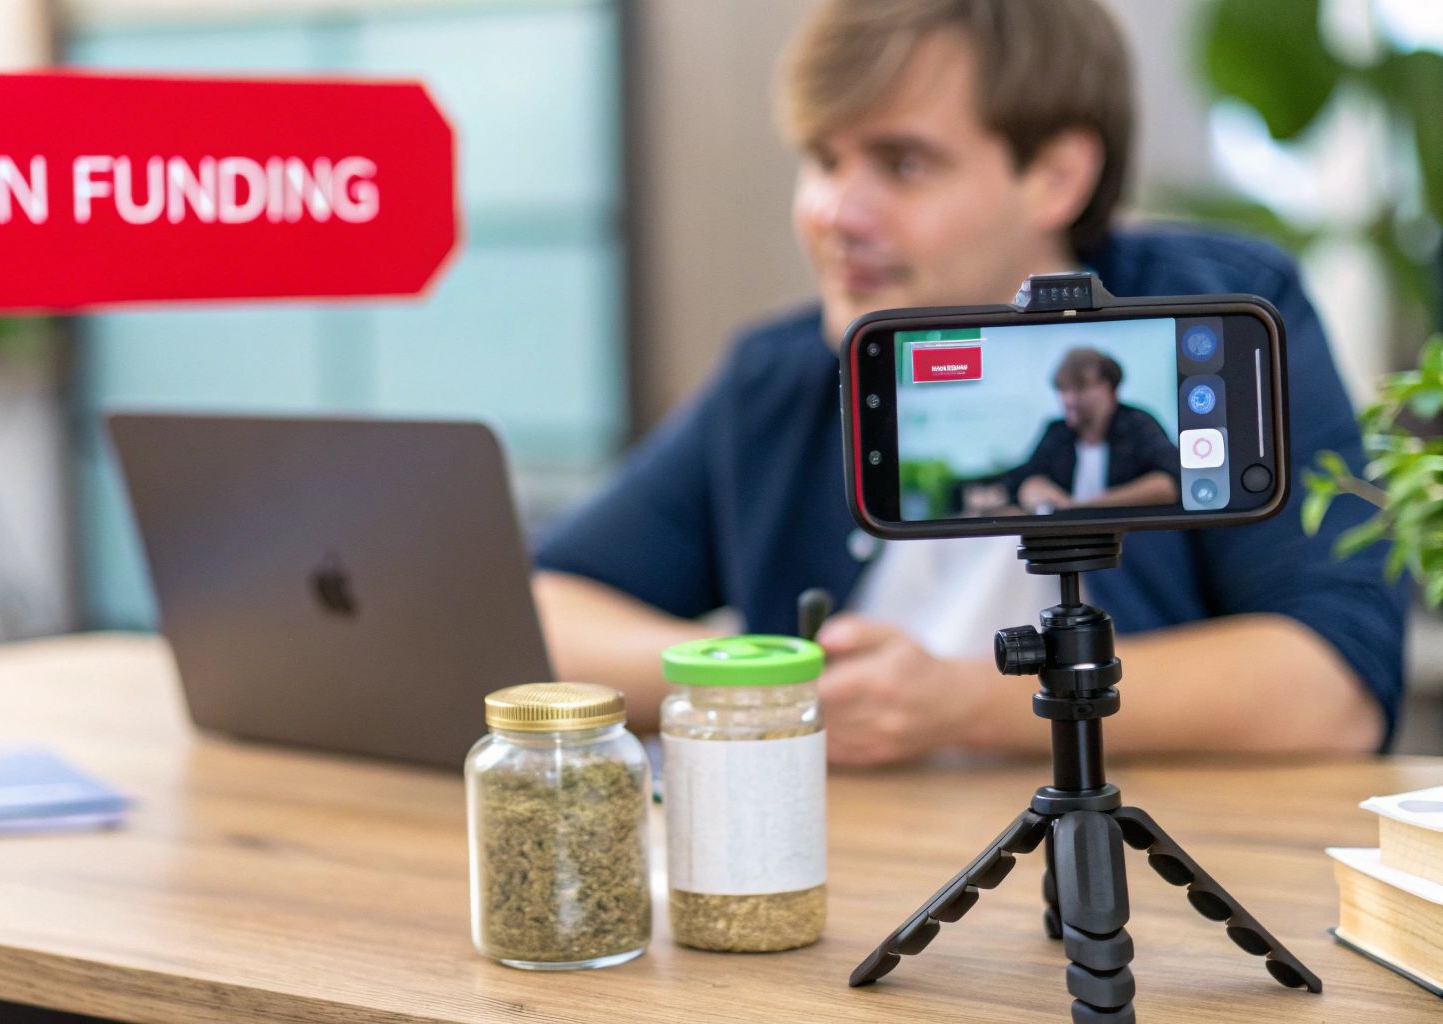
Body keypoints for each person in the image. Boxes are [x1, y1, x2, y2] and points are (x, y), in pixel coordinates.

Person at [532, 0, 1403, 765]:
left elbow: (1335, 691)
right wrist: (778, 680)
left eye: (903, 164)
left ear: (1056, 176)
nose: (837, 214)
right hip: (856, 875)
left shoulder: (1216, 315)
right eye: (824, 161)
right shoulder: (783, 375)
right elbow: (543, 611)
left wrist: (963, 705)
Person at [997, 348, 1178, 513]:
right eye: (1063, 389)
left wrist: (1083, 509)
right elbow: (1022, 481)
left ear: (1110, 389)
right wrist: (1035, 490)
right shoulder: (1057, 433)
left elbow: (1169, 484)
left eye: (1080, 388)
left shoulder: (1137, 424)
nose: (1069, 399)